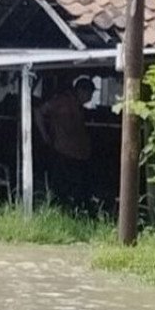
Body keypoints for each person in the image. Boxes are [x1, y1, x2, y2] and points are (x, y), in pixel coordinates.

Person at [34, 76, 94, 211]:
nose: (90, 97)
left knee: (78, 188)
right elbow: (38, 112)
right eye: (89, 93)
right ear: (81, 91)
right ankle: (59, 210)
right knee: (62, 188)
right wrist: (45, 136)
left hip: (78, 154)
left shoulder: (78, 106)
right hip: (63, 152)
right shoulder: (62, 101)